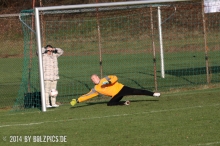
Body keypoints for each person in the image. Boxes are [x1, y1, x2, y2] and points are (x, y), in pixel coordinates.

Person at [70, 74, 160, 106]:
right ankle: (125, 103)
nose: (94, 80)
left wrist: (109, 82)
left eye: (94, 78)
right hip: (116, 95)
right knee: (110, 104)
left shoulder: (105, 78)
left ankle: (154, 94)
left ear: (98, 77)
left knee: (137, 91)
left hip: (121, 88)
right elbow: (87, 95)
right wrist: (77, 100)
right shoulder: (96, 89)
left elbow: (115, 77)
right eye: (92, 79)